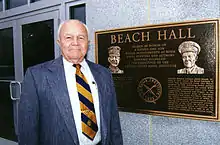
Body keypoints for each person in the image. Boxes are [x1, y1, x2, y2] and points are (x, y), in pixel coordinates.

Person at [18, 19, 123, 145]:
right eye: (68, 37)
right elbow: (28, 129)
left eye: (81, 37)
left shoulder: (103, 74)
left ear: (88, 43)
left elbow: (114, 122)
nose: (75, 43)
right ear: (59, 42)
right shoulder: (36, 76)